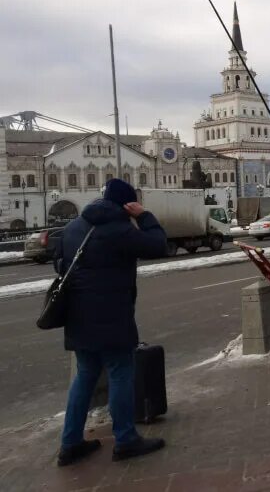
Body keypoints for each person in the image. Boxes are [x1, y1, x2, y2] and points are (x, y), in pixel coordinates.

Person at [56, 179, 168, 467]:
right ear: (126, 204)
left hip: (78, 316)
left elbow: (58, 263)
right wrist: (144, 216)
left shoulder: (72, 228)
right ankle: (126, 439)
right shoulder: (119, 230)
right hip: (112, 316)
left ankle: (70, 443)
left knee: (85, 376)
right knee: (120, 372)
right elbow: (159, 245)